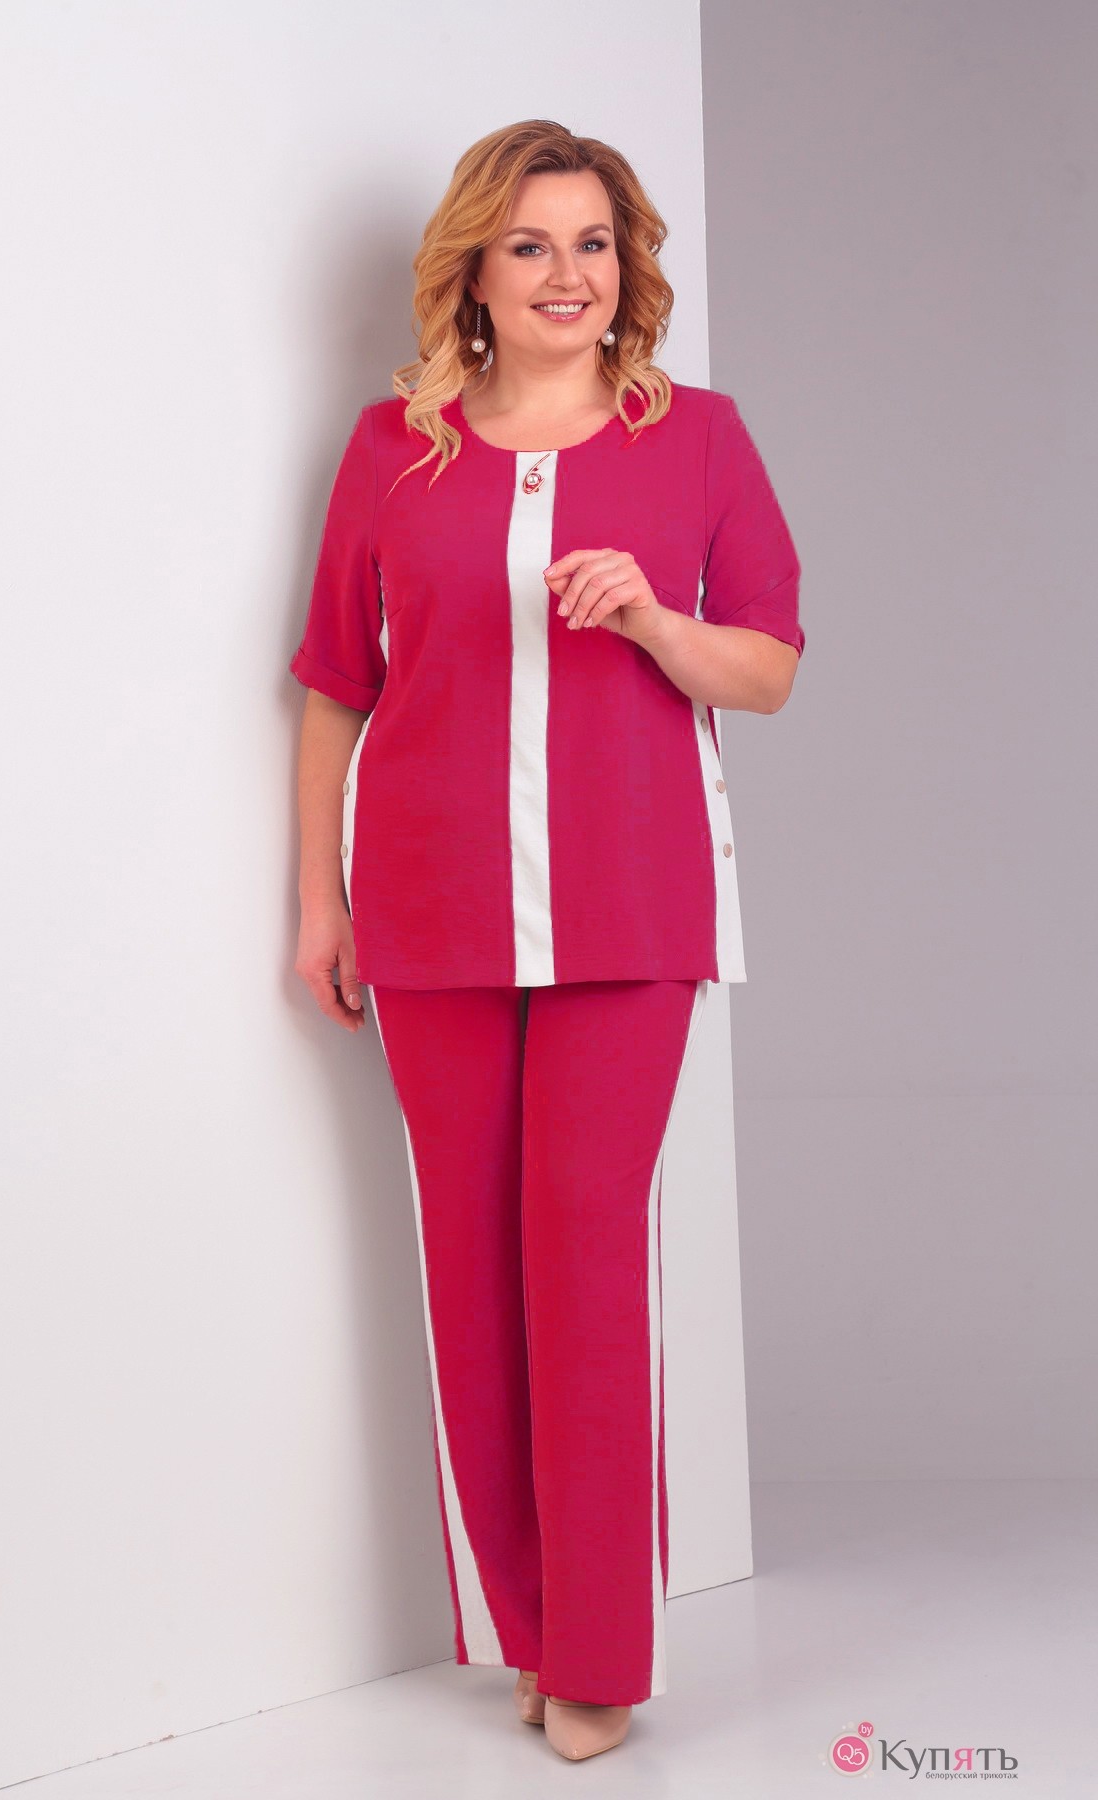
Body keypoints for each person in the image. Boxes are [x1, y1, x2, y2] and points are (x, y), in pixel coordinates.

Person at [289, 119, 805, 1763]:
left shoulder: (700, 440)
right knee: (470, 1271)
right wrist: (320, 900)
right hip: (431, 909)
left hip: (629, 909)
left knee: (582, 1254)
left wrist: (649, 617)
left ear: (627, 269)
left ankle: (593, 1654)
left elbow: (770, 667)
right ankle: (524, 1631)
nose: (567, 275)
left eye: (593, 243)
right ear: (477, 272)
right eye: (531, 245)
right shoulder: (393, 448)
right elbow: (336, 682)